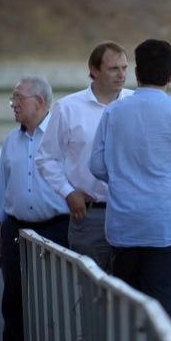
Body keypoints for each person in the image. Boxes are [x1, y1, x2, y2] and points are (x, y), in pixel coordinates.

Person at [89, 39, 171, 315]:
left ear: (136, 74)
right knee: (163, 312)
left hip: (124, 225)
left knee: (127, 311)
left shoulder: (113, 112)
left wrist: (123, 178)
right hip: (168, 225)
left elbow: (96, 165)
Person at [0, 76, 70, 341]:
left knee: (57, 301)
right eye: (13, 99)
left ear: (39, 101)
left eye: (18, 98)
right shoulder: (11, 140)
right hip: (16, 227)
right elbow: (1, 186)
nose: (13, 104)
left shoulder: (62, 138)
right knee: (14, 300)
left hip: (57, 227)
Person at [36, 41, 133, 271]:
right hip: (89, 215)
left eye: (125, 68)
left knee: (132, 293)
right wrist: (67, 192)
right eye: (113, 68)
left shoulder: (135, 103)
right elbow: (46, 158)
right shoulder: (68, 108)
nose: (121, 75)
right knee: (88, 290)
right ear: (94, 70)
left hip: (132, 213)